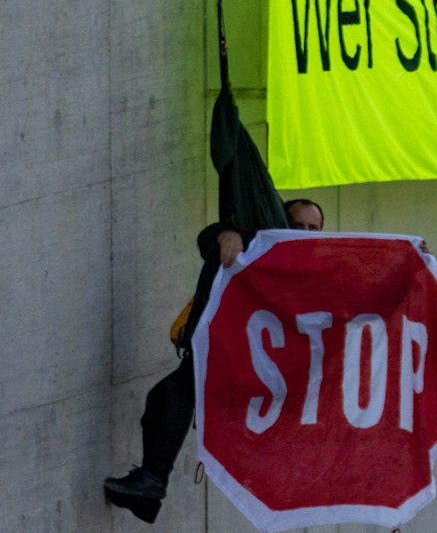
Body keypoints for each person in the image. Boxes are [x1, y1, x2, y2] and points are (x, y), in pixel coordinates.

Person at [102, 199, 325, 522]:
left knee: (176, 393)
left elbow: (367, 294)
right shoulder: (259, 247)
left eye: (312, 228)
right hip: (230, 350)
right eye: (297, 225)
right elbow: (211, 240)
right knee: (163, 397)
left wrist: (416, 261)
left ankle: (152, 482)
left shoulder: (323, 269)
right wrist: (227, 234)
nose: (303, 233)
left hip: (259, 366)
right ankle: (149, 490)